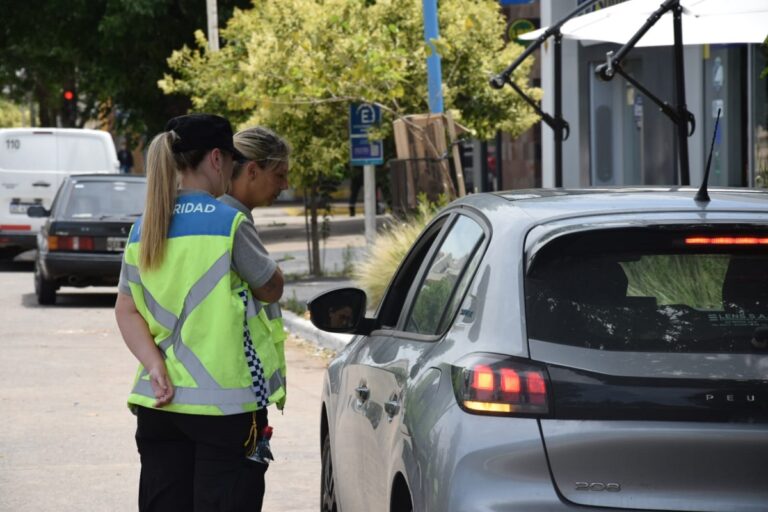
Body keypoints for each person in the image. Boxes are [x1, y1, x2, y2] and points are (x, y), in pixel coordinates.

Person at [114, 113, 285, 512]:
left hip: (159, 405)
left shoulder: (145, 226)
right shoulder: (229, 223)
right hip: (226, 410)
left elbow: (126, 310)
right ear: (216, 158)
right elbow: (271, 286)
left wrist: (154, 364)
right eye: (231, 159)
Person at [218, 125, 291, 411]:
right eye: (279, 175)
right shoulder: (231, 219)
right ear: (251, 171)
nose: (285, 186)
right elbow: (271, 287)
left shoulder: (213, 212)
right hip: (235, 386)